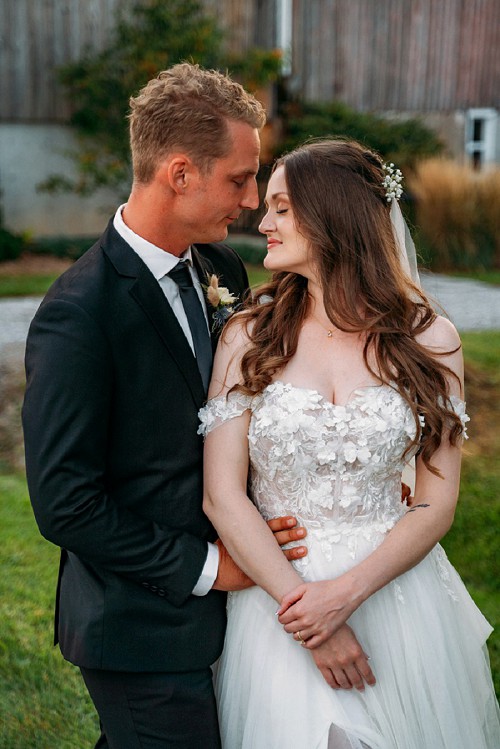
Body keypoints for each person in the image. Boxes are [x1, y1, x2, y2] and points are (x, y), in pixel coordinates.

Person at [21, 63, 324, 749]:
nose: (251, 201)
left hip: (227, 623)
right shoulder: (79, 313)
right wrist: (214, 568)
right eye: (239, 179)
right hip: (140, 628)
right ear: (180, 173)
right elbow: (65, 501)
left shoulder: (222, 271)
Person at [199, 139, 500, 748]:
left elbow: (435, 505)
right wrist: (310, 617)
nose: (264, 222)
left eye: (282, 208)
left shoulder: (430, 339)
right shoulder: (248, 335)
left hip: (395, 596)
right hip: (279, 601)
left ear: (332, 214)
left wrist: (346, 595)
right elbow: (222, 496)